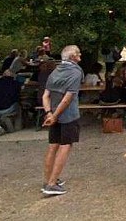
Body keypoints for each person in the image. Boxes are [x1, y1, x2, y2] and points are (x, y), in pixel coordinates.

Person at [41, 45, 84, 195]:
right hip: (68, 116)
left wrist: (49, 113)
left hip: (53, 114)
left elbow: (45, 96)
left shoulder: (55, 71)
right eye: (78, 53)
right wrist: (55, 115)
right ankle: (52, 184)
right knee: (65, 146)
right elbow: (67, 99)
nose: (80, 56)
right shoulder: (76, 72)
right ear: (72, 57)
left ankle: (47, 180)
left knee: (53, 146)